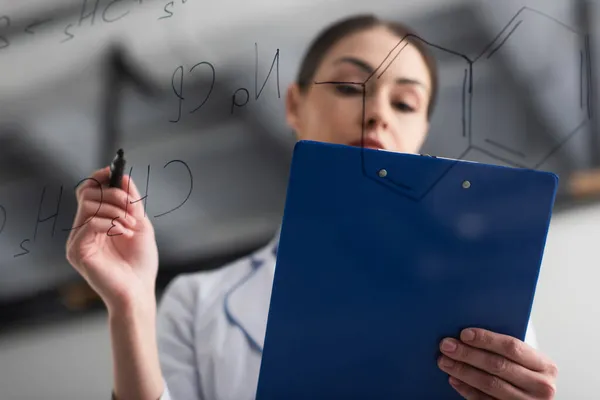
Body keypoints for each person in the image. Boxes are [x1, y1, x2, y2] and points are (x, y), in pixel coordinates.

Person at [65, 14, 559, 400]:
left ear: (421, 134)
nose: (377, 112)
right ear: (294, 106)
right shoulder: (198, 304)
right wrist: (129, 306)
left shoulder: (483, 300)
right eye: (348, 87)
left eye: (405, 103)